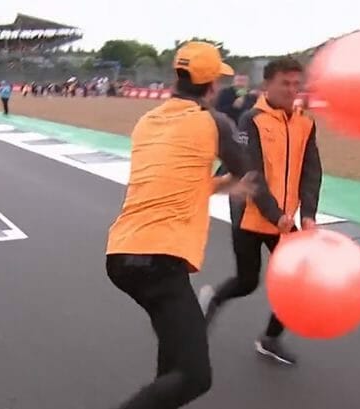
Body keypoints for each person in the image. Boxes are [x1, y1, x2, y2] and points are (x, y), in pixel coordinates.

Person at [105, 41, 271, 409]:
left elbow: (169, 180)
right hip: (159, 261)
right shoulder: (213, 122)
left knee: (174, 363)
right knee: (195, 377)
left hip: (121, 254)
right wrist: (276, 215)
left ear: (176, 77)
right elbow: (250, 175)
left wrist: (223, 184)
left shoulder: (147, 122)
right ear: (212, 86)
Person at [199, 56, 323, 366]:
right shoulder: (251, 120)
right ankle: (213, 297)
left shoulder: (306, 122)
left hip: (284, 220)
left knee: (297, 284)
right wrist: (275, 214)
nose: (292, 90)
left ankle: (269, 339)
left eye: (297, 84)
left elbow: (312, 171)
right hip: (251, 214)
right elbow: (249, 172)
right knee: (247, 281)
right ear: (268, 84)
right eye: (285, 83)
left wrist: (307, 213)